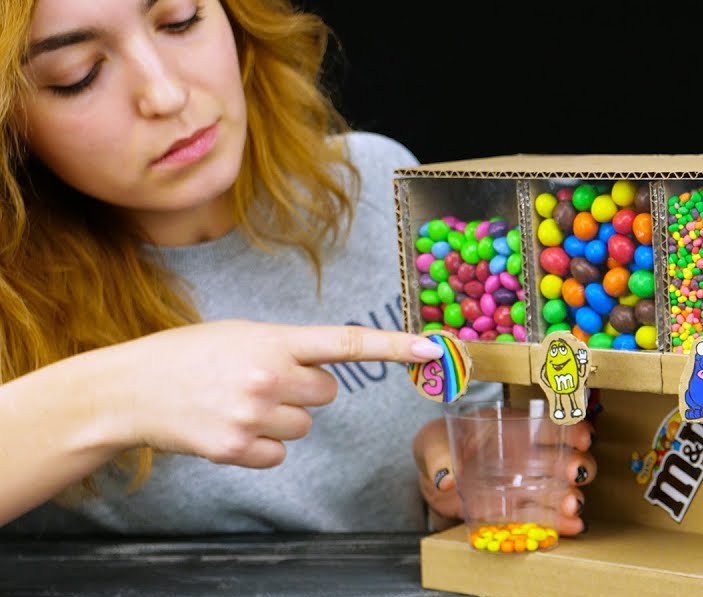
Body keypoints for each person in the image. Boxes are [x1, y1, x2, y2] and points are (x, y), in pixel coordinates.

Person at [0, 0, 595, 535]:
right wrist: (124, 391)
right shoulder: (14, 301)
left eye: (180, 20)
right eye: (77, 74)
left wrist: (459, 492)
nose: (165, 94)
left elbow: (482, 421)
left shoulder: (374, 184)